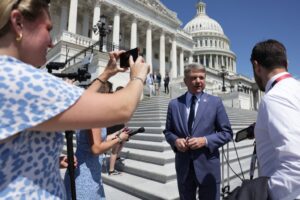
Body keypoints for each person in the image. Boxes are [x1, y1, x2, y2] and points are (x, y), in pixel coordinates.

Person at [0, 0, 149, 199]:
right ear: (18, 22)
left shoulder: (8, 76)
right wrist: (138, 76)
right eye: (48, 29)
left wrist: (105, 75)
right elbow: (123, 109)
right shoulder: (22, 81)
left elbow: (75, 101)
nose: (52, 42)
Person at [164, 63, 233, 200]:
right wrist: (176, 141)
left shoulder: (215, 102)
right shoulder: (174, 104)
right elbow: (168, 132)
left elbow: (227, 133)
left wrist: (205, 141)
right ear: (185, 81)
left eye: (201, 77)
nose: (198, 81)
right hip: (184, 168)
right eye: (194, 78)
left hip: (208, 168)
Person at [250, 39, 300, 200]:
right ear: (286, 63)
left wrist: (258, 194)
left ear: (257, 66)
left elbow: (296, 169)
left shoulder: (275, 97)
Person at [64, 84, 130, 200]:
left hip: (88, 168)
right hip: (86, 171)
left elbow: (99, 140)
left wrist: (118, 135)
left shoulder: (87, 112)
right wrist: (119, 139)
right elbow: (96, 148)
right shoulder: (94, 115)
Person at [107, 86, 127, 175]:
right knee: (115, 149)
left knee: (123, 142)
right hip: (114, 128)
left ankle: (116, 157)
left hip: (119, 126)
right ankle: (111, 170)